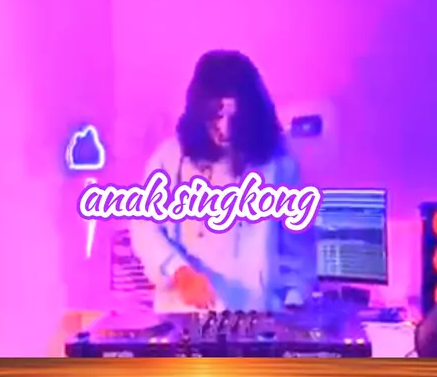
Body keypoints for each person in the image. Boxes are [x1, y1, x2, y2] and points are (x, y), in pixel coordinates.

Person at [131, 50, 316, 313]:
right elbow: (144, 228)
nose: (225, 129)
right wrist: (179, 271)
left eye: (234, 118)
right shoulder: (170, 158)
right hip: (184, 316)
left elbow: (298, 250)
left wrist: (293, 303)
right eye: (216, 117)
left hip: (257, 316)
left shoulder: (279, 164)